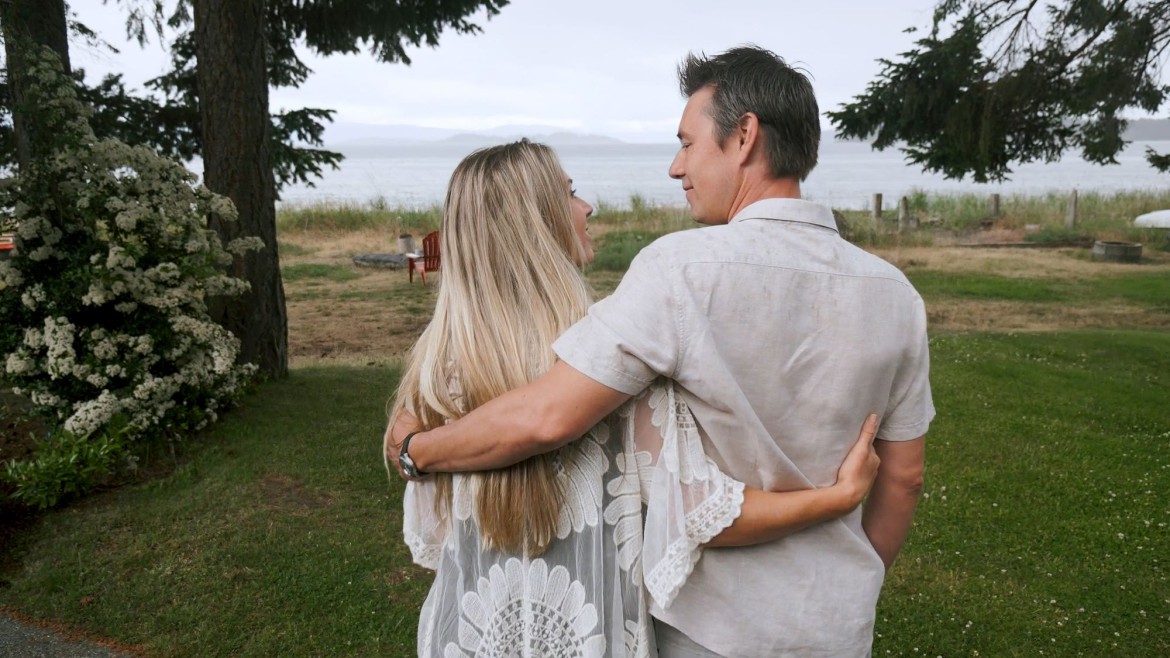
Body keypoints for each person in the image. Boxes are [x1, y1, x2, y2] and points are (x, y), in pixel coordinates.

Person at [389, 46, 935, 656]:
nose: (677, 167)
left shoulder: (679, 271)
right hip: (838, 627)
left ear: (744, 136)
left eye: (687, 142)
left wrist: (418, 450)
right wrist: (850, 568)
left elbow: (549, 415)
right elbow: (904, 477)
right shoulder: (898, 296)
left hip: (710, 630)